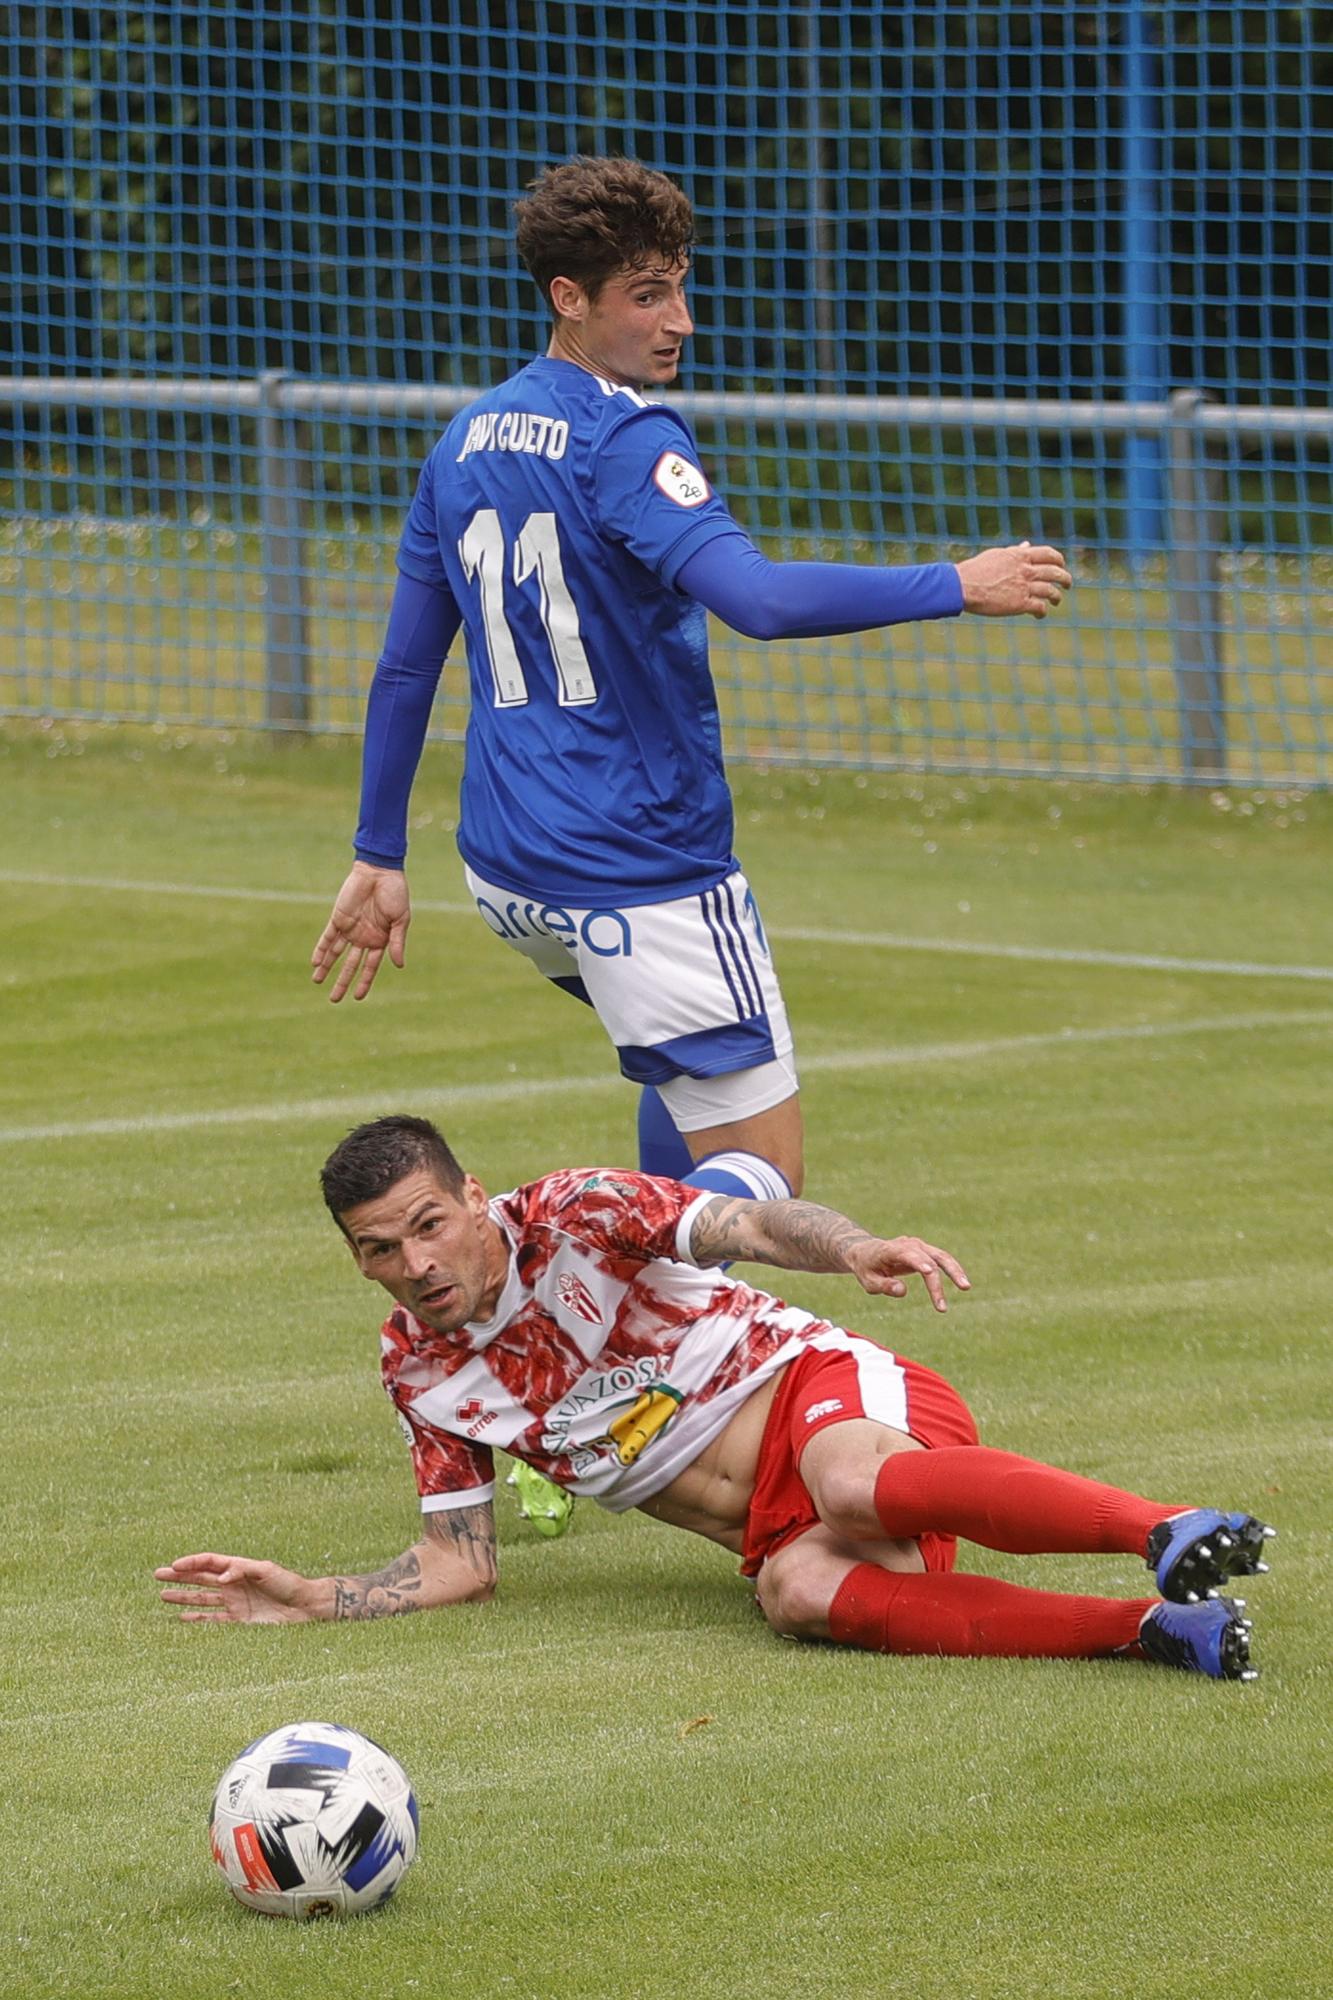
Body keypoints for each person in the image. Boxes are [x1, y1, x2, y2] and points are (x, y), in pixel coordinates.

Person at [310, 156, 1073, 1209]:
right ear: (566, 299)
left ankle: (638, 1304)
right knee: (761, 1199)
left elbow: (405, 662)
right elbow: (753, 600)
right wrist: (956, 582)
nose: (681, 318)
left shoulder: (464, 440)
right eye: (646, 294)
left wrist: (377, 851)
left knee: (683, 1065)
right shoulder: (623, 434)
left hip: (508, 863)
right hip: (639, 863)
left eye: (679, 283)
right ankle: (570, 1263)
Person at [157, 1116, 1273, 1679]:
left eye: (428, 1223)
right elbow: (461, 1563)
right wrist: (311, 1596)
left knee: (847, 1480)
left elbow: (746, 1225)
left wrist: (852, 1246)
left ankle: (1162, 1529)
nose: (415, 1262)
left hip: (829, 1400)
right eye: (378, 1248)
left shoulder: (579, 1211)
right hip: (777, 1529)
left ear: (474, 1197)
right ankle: (1153, 1629)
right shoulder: (423, 1372)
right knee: (793, 1590)